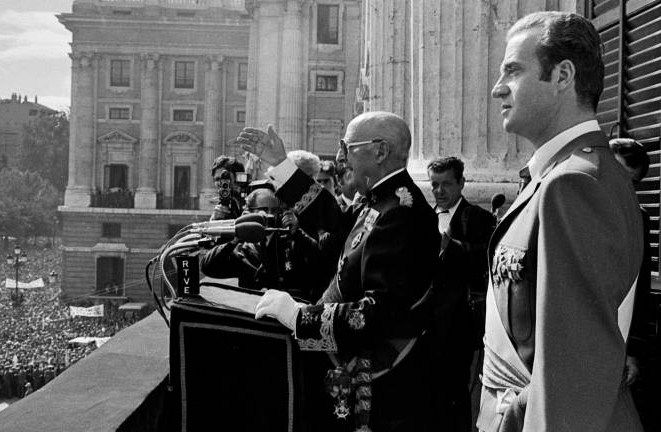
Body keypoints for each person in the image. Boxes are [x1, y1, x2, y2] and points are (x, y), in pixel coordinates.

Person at [479, 11, 644, 431]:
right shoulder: (558, 175)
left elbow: (574, 374)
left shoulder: (573, 184)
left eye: (513, 70)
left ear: (563, 76)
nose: (498, 88)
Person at [238, 111, 440, 432]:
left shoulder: (402, 214)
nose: (340, 158)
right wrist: (280, 164)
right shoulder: (381, 199)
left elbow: (380, 313)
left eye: (347, 147)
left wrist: (300, 318)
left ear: (380, 151)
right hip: (354, 364)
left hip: (378, 381)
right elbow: (333, 219)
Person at [427, 156, 495, 432]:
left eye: (446, 184)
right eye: (434, 185)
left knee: (456, 392)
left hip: (459, 323)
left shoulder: (479, 218)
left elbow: (484, 260)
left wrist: (449, 246)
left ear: (461, 183)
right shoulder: (421, 216)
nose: (439, 191)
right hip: (425, 321)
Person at [200, 188, 322, 301]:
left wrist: (297, 233)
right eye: (263, 210)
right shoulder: (242, 251)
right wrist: (237, 236)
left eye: (274, 211)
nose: (270, 215)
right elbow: (208, 267)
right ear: (249, 213)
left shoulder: (289, 243)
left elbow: (317, 259)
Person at [610, 137, 655, 428]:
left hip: (614, 344)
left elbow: (641, 289)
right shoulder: (565, 205)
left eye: (632, 183)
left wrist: (634, 352)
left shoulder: (638, 219)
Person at [210, 156, 246, 221]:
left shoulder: (249, 203)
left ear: (237, 179)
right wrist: (213, 219)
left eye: (225, 178)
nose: (221, 183)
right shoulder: (220, 207)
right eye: (217, 179)